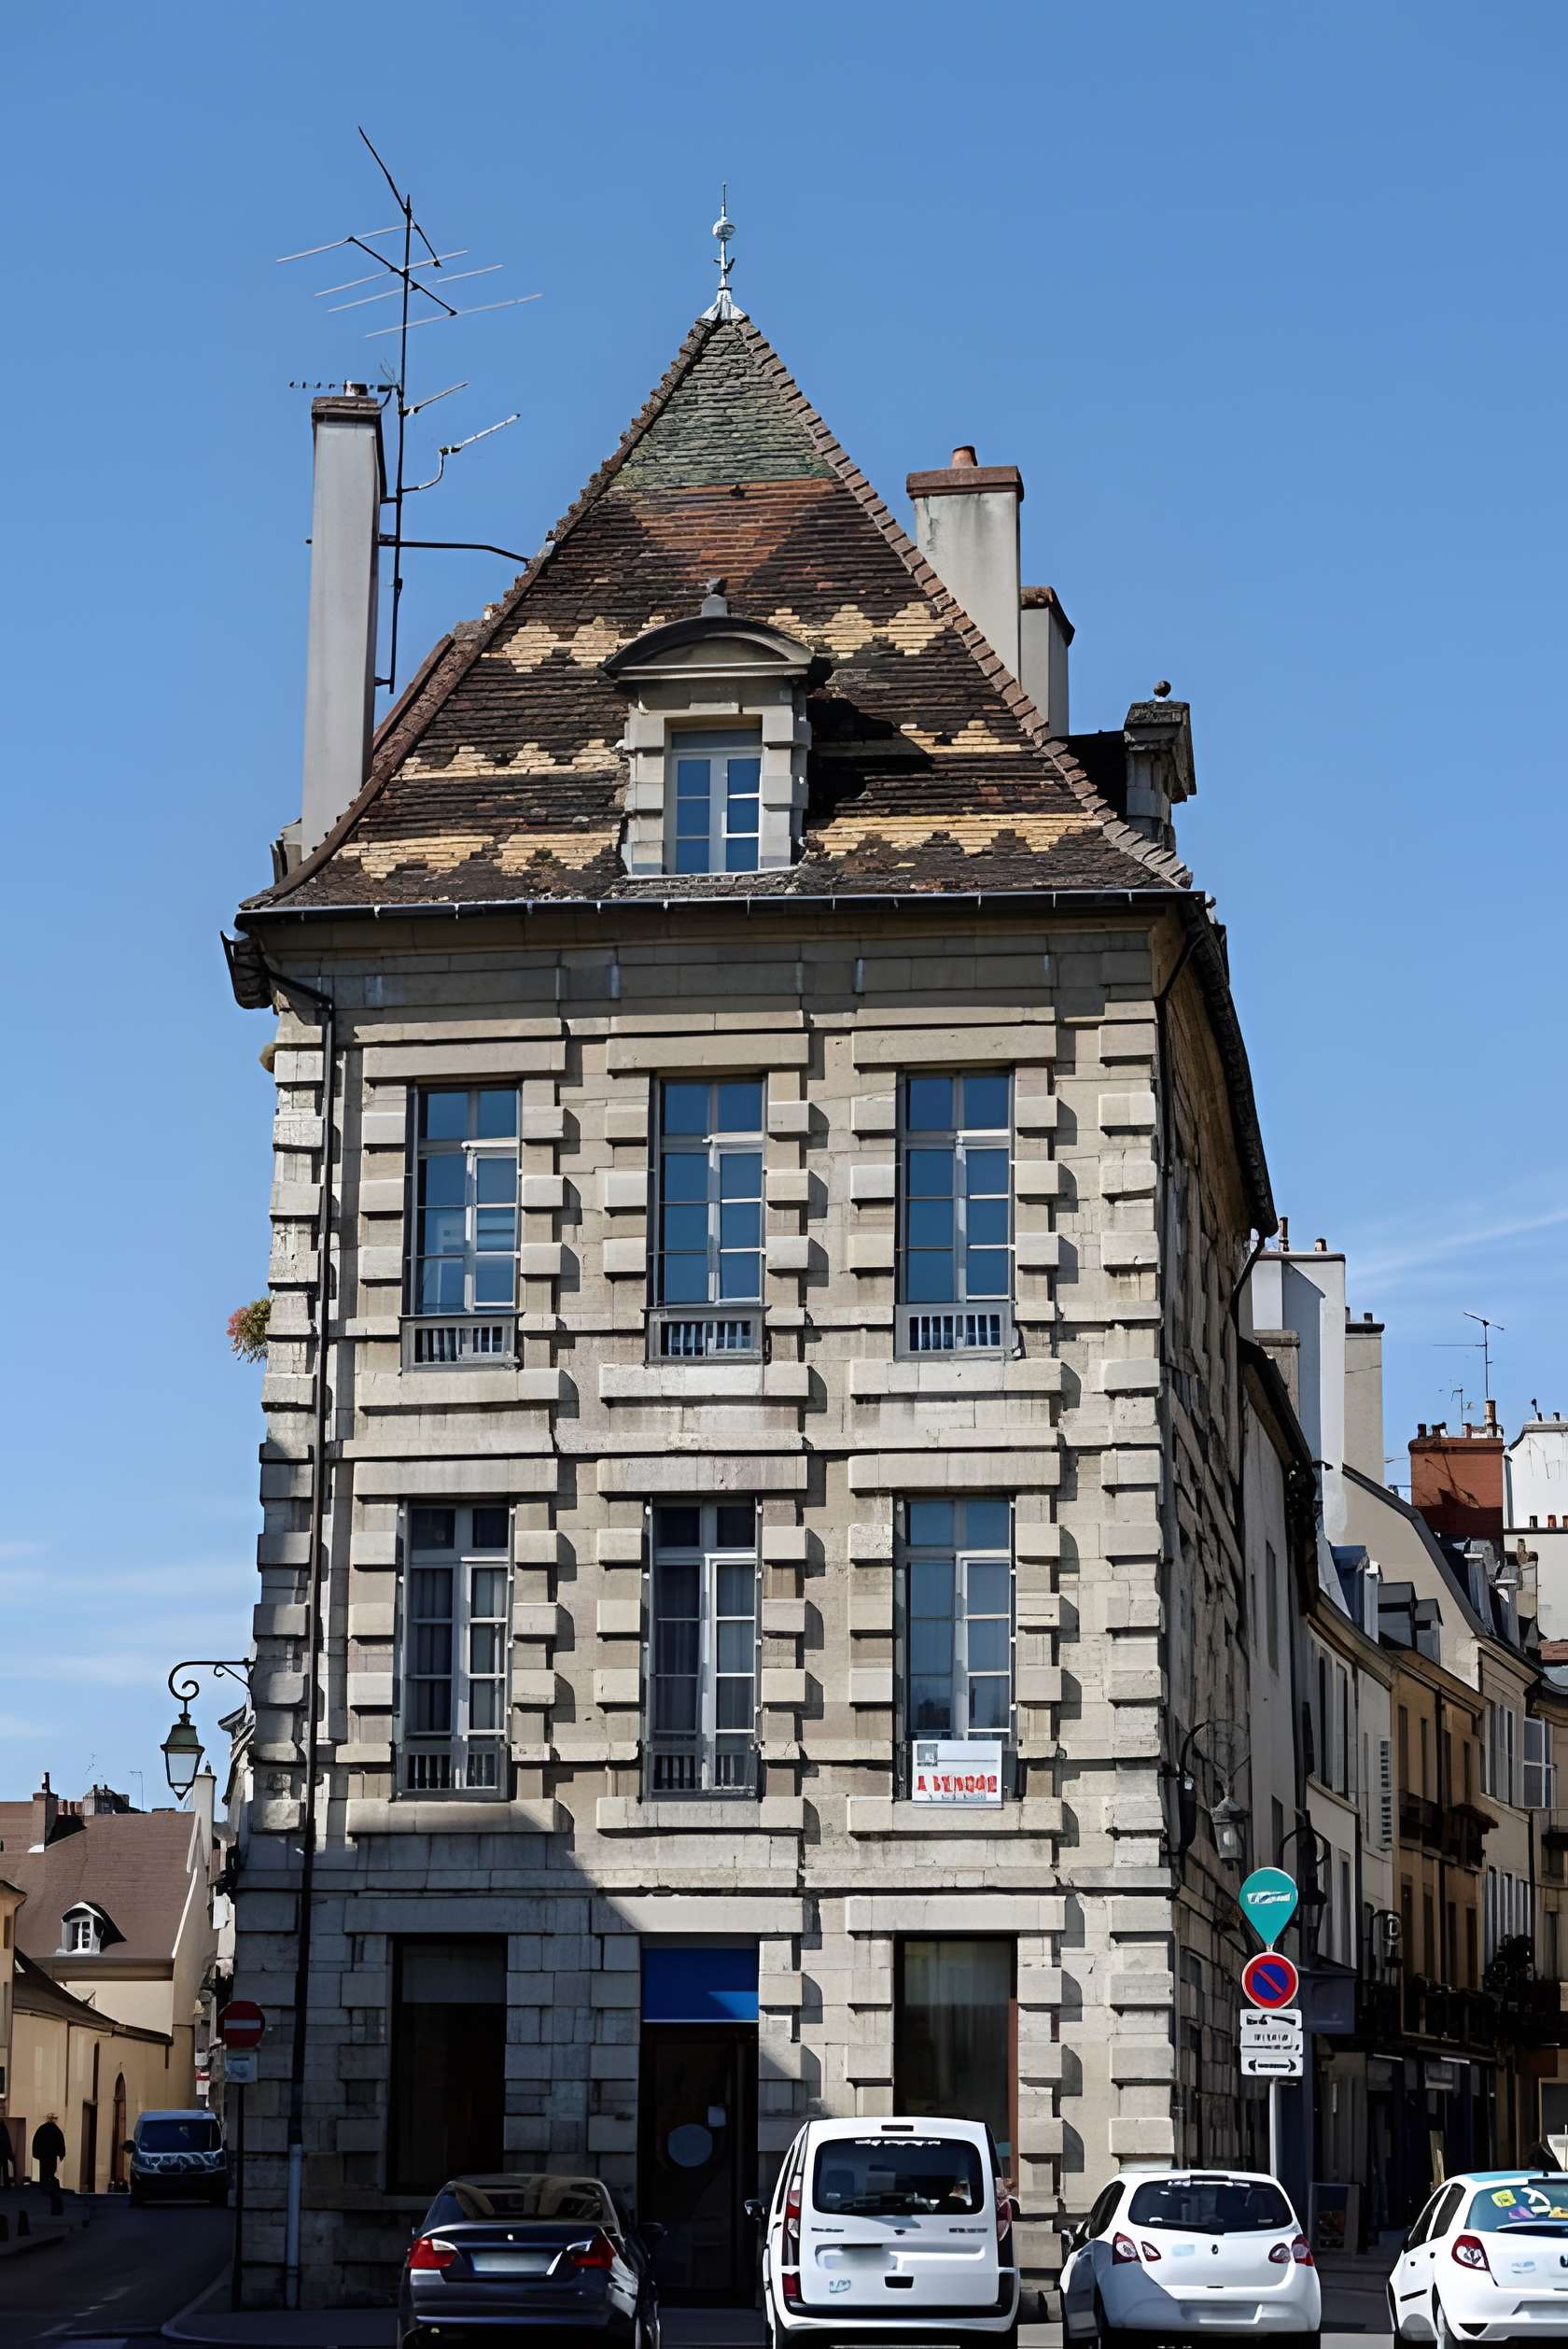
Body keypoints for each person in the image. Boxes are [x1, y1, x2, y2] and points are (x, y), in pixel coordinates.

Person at [32, 2116, 65, 2214]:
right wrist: (61, 2153)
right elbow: (60, 2142)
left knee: (43, 2171)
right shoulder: (56, 2130)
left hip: (43, 2155)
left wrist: (36, 2154)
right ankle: (51, 2186)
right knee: (51, 2171)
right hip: (52, 2155)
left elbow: (36, 2141)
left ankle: (44, 2187)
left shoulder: (42, 2129)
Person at [0, 2114, 14, 2189]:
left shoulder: (4, 2128)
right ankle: (6, 2184)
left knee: (4, 2168)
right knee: (5, 2169)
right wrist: (10, 2153)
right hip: (4, 2151)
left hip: (3, 2151)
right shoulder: (4, 2128)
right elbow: (7, 2141)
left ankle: (6, 2184)